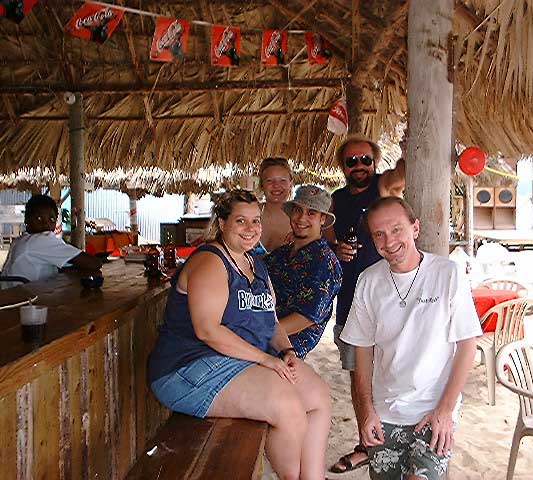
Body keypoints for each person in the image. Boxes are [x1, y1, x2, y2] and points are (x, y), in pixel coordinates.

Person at [147, 190, 331, 480]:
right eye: (241, 221)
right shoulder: (210, 261)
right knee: (288, 406)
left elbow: (271, 321)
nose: (250, 229)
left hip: (235, 362)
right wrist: (266, 361)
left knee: (318, 395)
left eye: (255, 221)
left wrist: (287, 352)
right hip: (188, 367)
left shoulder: (256, 264)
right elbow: (207, 331)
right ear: (222, 223)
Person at [340, 197, 481, 479]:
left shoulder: (447, 274)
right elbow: (363, 351)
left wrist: (445, 409)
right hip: (385, 412)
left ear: (415, 228)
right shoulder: (369, 280)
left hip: (433, 409)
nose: (388, 241)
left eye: (396, 229)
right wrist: (366, 411)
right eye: (378, 234)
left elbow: (467, 345)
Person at [324, 134, 405, 473]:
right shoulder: (337, 199)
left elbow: (402, 173)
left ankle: (397, 440)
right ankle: (366, 444)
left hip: (389, 302)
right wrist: (334, 247)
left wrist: (409, 143)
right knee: (359, 378)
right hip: (350, 304)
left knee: (393, 374)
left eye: (366, 160)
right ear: (342, 167)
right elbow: (325, 231)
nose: (359, 166)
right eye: (351, 161)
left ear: (375, 164)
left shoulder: (382, 189)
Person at [264, 185, 342, 359]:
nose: (301, 218)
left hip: (284, 350)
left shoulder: (325, 263)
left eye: (311, 213)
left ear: (322, 219)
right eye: (298, 210)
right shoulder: (281, 253)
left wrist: (258, 333)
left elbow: (305, 317)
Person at [1, 194, 102, 288]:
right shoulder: (42, 240)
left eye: (52, 219)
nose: (46, 224)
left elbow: (65, 265)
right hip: (23, 300)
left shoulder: (20, 240)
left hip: (10, 294)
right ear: (26, 220)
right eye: (39, 218)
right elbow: (94, 264)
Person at [258, 157, 293, 253]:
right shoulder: (251, 213)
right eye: (270, 181)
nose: (276, 186)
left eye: (282, 180)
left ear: (290, 183)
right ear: (262, 184)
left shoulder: (300, 218)